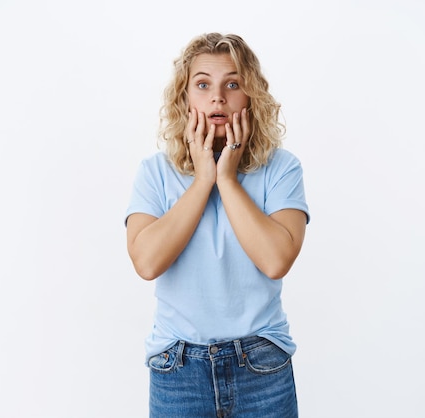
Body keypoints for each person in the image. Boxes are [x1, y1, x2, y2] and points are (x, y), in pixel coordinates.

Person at [125, 32, 310, 418]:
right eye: (203, 84)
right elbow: (146, 263)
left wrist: (226, 179)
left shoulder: (281, 169)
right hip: (177, 370)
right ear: (185, 98)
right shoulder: (154, 173)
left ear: (250, 96)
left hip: (262, 366)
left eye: (232, 83)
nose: (217, 97)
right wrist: (203, 180)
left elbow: (276, 260)